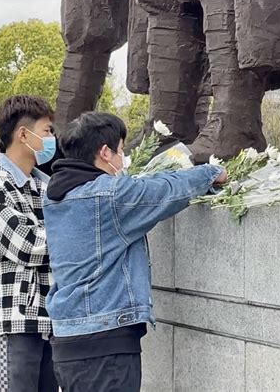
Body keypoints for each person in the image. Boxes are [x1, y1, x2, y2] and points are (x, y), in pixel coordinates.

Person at [43, 112, 227, 392]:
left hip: (70, 339)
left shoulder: (57, 195)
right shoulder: (108, 195)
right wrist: (212, 173)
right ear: (104, 152)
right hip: (104, 342)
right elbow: (165, 191)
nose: (122, 160)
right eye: (119, 151)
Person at [0, 95, 59, 392]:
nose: (51, 139)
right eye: (47, 131)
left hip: (48, 319)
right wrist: (71, 235)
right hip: (12, 319)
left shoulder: (44, 184)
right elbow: (28, 245)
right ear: (23, 134)